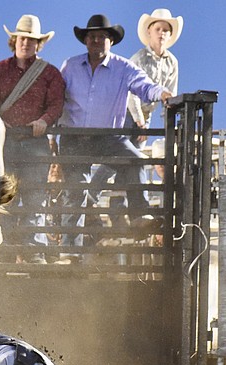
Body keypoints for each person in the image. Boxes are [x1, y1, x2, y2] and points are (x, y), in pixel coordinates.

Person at [58, 14, 172, 232]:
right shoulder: (71, 66)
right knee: (76, 193)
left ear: (111, 41)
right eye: (92, 36)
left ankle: (139, 216)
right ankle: (70, 245)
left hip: (108, 137)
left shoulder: (124, 68)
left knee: (135, 160)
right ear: (85, 40)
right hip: (74, 137)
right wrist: (54, 134)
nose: (96, 40)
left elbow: (145, 86)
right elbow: (56, 97)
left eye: (102, 36)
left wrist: (162, 93)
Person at [0, 15, 64, 263]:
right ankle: (4, 253)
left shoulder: (50, 74)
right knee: (5, 197)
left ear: (38, 44)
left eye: (31, 40)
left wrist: (44, 121)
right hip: (5, 143)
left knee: (35, 197)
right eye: (22, 38)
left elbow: (56, 104)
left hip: (34, 142)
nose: (26, 43)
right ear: (14, 40)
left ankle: (33, 250)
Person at [125, 9, 182, 147]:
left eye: (165, 30)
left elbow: (170, 97)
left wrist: (170, 126)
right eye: (158, 29)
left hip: (146, 114)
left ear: (170, 35)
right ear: (149, 31)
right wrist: (140, 122)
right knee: (119, 152)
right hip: (126, 112)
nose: (161, 33)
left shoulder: (172, 62)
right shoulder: (139, 58)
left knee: (138, 153)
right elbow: (131, 93)